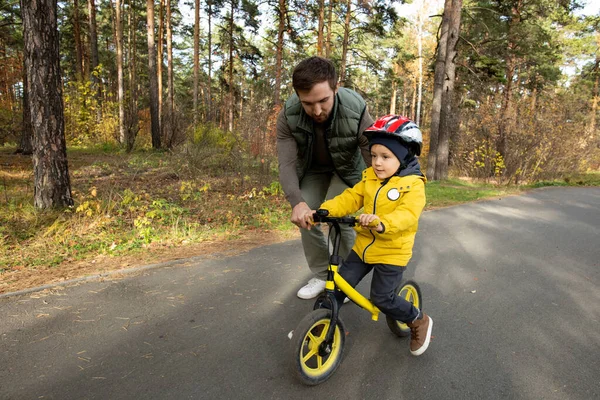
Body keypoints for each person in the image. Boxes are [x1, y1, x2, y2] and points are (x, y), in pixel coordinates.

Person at [303, 114, 433, 356]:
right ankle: (314, 329)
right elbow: (350, 198)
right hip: (363, 247)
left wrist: (382, 223)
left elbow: (407, 215)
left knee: (382, 298)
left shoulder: (413, 186)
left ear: (404, 156)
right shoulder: (370, 179)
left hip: (392, 252)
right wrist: (324, 211)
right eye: (374, 156)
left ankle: (418, 319)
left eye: (386, 157)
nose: (377, 163)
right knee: (336, 287)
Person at [276, 56, 374, 299]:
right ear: (298, 96)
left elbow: (372, 152)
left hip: (348, 170)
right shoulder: (288, 115)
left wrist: (390, 189)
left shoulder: (355, 107)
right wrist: (296, 202)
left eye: (323, 100)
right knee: (306, 214)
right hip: (314, 171)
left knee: (335, 216)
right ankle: (322, 274)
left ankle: (347, 279)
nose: (317, 110)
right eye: (308, 103)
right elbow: (286, 163)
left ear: (335, 88)